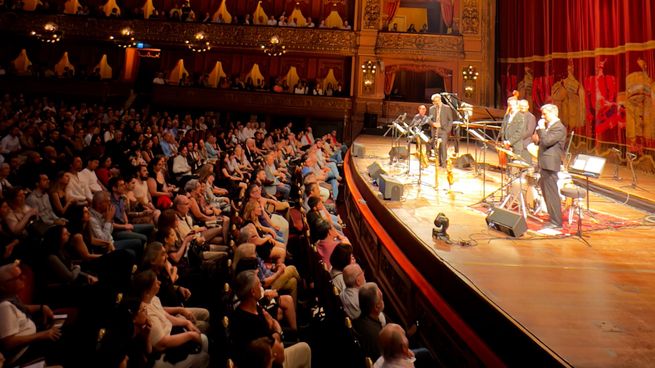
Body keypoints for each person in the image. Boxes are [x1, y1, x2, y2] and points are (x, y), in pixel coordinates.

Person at [0, 261, 61, 366]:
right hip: (24, 353)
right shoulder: (4, 307)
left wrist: (41, 307)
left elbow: (22, 309)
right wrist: (42, 335)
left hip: (33, 340)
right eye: (18, 277)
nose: (23, 278)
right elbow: (8, 343)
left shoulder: (11, 297)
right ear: (3, 286)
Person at [533, 104, 567, 230]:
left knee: (551, 193)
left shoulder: (559, 128)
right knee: (547, 193)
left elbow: (546, 142)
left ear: (553, 113)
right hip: (545, 163)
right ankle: (553, 218)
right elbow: (542, 141)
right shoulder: (551, 127)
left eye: (545, 114)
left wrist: (541, 128)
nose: (542, 116)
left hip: (550, 165)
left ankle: (556, 222)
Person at [428, 94, 454, 167]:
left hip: (443, 131)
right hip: (435, 131)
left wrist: (447, 130)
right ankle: (438, 162)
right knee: (436, 148)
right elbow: (429, 119)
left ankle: (444, 164)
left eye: (437, 101)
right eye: (434, 101)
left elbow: (450, 120)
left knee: (443, 147)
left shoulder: (447, 108)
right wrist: (433, 124)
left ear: (440, 99)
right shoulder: (431, 108)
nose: (436, 103)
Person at [501, 95, 527, 162]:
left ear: (516, 105)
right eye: (509, 105)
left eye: (512, 105)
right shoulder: (507, 115)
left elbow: (519, 132)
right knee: (507, 166)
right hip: (506, 144)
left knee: (514, 167)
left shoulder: (521, 116)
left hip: (516, 145)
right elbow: (503, 128)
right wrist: (503, 140)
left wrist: (509, 142)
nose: (511, 107)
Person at [518, 99, 537, 164]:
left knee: (525, 164)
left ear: (528, 106)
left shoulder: (531, 117)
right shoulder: (517, 115)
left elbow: (529, 131)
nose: (523, 107)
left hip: (525, 143)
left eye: (525, 106)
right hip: (517, 143)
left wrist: (517, 137)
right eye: (521, 106)